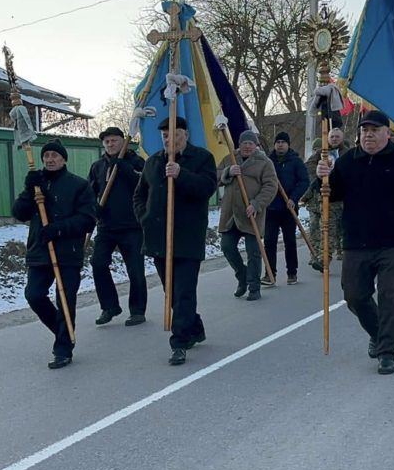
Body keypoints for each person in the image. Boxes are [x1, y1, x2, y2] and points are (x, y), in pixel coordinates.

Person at [316, 110, 394, 375]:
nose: (368, 135)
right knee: (354, 296)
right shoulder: (347, 161)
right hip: (356, 241)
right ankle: (379, 334)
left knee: (392, 295)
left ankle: (388, 352)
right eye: (364, 130)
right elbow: (330, 194)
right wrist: (323, 176)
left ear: (387, 134)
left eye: (374, 130)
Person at [133, 117, 219, 366]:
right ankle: (195, 326)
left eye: (174, 134)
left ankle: (179, 342)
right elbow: (140, 194)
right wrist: (145, 217)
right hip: (159, 238)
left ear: (186, 134)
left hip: (187, 237)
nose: (169, 138)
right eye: (165, 135)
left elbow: (207, 188)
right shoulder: (153, 162)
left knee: (183, 292)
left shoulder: (202, 158)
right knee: (170, 291)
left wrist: (181, 174)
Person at [11, 139, 97, 370]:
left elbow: (88, 219)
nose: (49, 160)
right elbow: (19, 213)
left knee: (65, 300)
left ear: (63, 159)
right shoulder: (37, 184)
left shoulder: (78, 185)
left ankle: (62, 349)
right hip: (40, 251)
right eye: (46, 156)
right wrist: (29, 191)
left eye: (54, 156)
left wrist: (59, 228)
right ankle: (64, 332)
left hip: (67, 252)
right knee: (34, 295)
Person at [88, 126, 148, 327]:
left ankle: (138, 311)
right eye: (107, 142)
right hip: (106, 226)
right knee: (97, 263)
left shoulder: (136, 162)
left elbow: (146, 185)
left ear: (123, 141)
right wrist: (94, 208)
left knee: (135, 270)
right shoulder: (98, 166)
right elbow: (89, 192)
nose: (110, 144)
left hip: (132, 226)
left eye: (114, 140)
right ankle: (109, 306)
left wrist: (126, 170)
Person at [217, 130, 278, 301]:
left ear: (256, 145)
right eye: (244, 143)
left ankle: (254, 287)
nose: (247, 146)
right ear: (239, 144)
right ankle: (242, 275)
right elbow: (215, 175)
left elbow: (270, 186)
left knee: (254, 253)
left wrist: (256, 203)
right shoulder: (230, 158)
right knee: (227, 246)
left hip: (252, 214)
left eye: (251, 143)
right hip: (230, 214)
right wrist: (228, 172)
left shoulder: (264, 162)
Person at [264, 131, 310, 286]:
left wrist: (293, 198)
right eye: (278, 142)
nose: (280, 144)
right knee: (269, 241)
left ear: (288, 144)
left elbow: (304, 181)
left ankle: (292, 272)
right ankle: (270, 273)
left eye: (283, 142)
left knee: (289, 241)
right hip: (271, 208)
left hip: (289, 208)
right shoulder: (268, 161)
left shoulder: (295, 161)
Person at [301, 126, 348, 271]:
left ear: (342, 138)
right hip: (328, 199)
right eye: (332, 137)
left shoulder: (348, 153)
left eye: (337, 137)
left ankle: (349, 257)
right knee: (327, 230)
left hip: (346, 199)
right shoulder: (322, 153)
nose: (334, 139)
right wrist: (319, 171)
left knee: (345, 231)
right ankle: (323, 260)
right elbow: (308, 166)